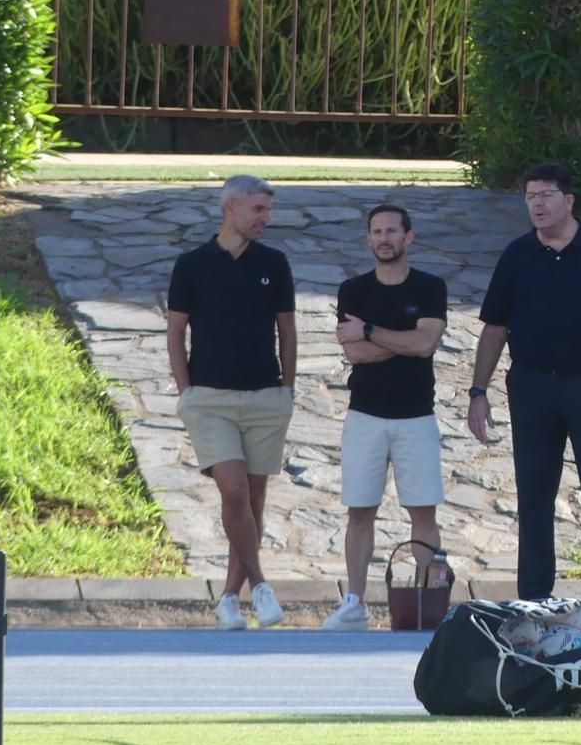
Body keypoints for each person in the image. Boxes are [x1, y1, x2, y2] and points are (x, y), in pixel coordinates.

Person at [465, 163, 581, 633]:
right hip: (533, 387)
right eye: (530, 197)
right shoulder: (517, 255)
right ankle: (534, 601)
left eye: (546, 195)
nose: (538, 204)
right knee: (534, 495)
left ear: (569, 200)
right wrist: (478, 391)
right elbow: (494, 329)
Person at [166, 174, 296, 630]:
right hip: (210, 400)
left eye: (267, 210)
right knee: (234, 491)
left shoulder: (274, 263)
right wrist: (187, 393)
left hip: (266, 396)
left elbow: (287, 329)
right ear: (231, 208)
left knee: (253, 500)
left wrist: (289, 387)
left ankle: (228, 598)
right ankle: (260, 584)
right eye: (258, 209)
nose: (266, 218)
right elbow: (176, 331)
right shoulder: (192, 264)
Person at [323, 204, 449, 630]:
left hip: (416, 417)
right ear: (369, 237)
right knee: (360, 512)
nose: (384, 238)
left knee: (423, 514)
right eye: (376, 231)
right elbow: (353, 352)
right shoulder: (353, 290)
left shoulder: (430, 287)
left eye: (392, 231)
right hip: (365, 416)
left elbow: (425, 345)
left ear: (408, 237)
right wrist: (402, 340)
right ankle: (354, 603)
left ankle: (429, 604)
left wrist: (373, 331)